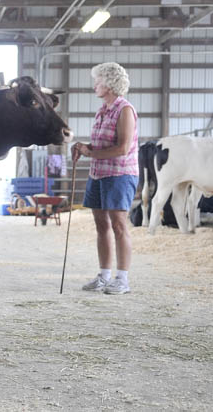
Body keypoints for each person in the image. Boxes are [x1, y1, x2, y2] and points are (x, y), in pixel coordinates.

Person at [72, 62, 138, 295]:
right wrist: (84, 147)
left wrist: (92, 153)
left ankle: (122, 279)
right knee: (101, 225)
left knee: (119, 225)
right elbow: (101, 145)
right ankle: (104, 275)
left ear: (109, 84)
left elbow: (122, 148)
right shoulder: (102, 110)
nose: (94, 85)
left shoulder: (125, 110)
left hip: (119, 174)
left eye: (97, 81)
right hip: (98, 174)